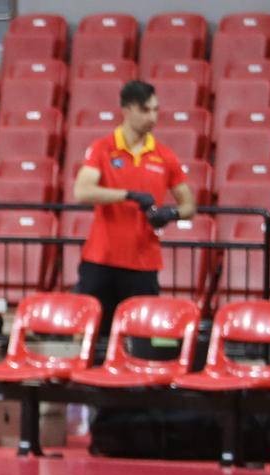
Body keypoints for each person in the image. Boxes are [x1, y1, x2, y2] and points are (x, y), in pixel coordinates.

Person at [72, 79, 197, 334]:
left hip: (144, 263)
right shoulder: (102, 149)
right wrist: (128, 195)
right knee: (96, 337)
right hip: (101, 260)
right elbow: (82, 191)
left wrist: (170, 213)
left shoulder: (164, 156)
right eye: (145, 110)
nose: (153, 117)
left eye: (156, 110)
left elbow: (189, 205)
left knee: (141, 338)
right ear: (127, 110)